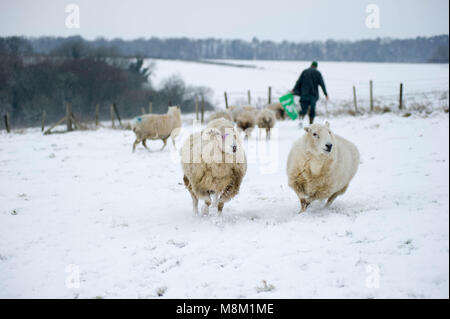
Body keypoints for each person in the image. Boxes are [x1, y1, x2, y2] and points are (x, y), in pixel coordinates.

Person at [291, 61, 328, 125]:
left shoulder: (305, 72)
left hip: (304, 94)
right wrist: (326, 94)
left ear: (311, 65)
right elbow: (322, 84)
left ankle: (301, 119)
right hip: (313, 95)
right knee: (312, 110)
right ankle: (311, 123)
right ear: (316, 66)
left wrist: (293, 90)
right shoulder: (318, 73)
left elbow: (299, 82)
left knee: (304, 109)